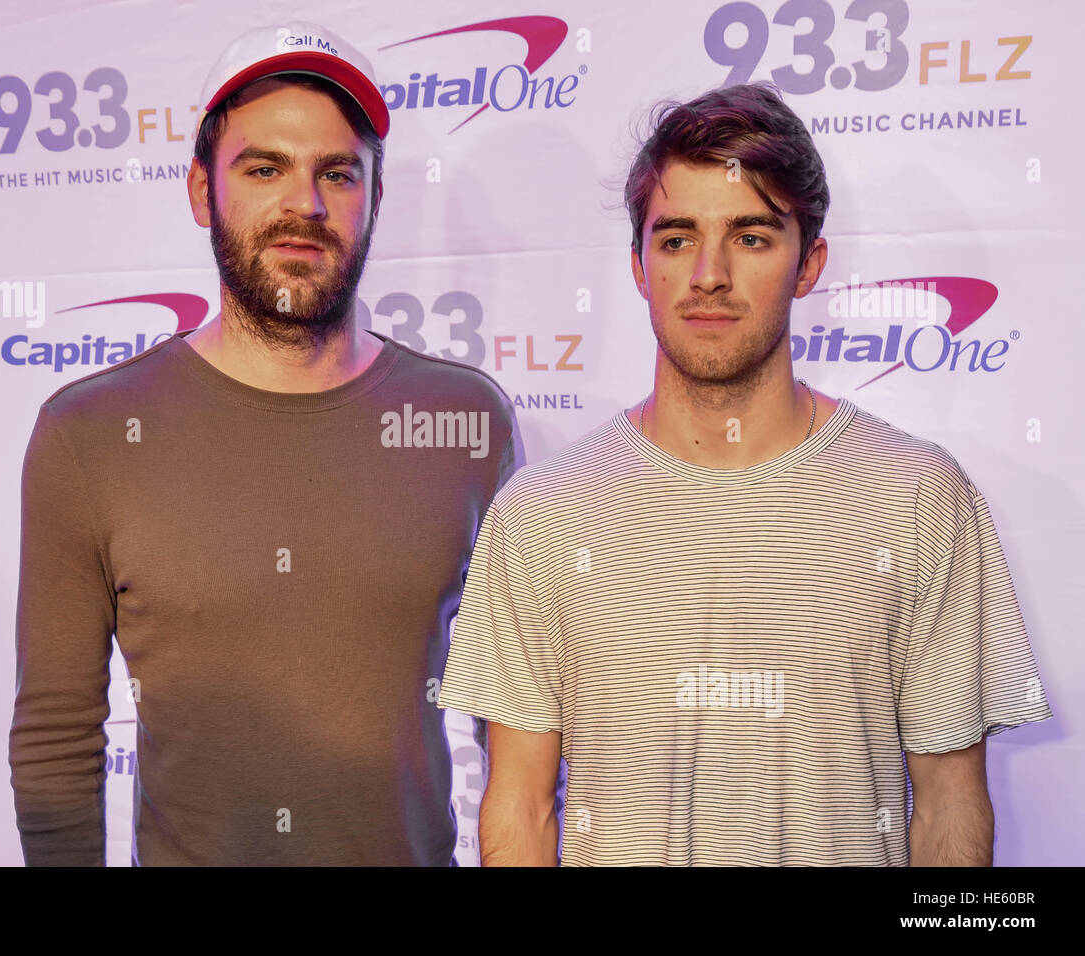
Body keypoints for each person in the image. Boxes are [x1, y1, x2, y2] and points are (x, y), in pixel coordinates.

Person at [437, 83, 1052, 866]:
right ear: (637, 264)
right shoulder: (542, 514)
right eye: (677, 238)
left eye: (753, 237)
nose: (710, 274)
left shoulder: (920, 496)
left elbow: (948, 805)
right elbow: (518, 811)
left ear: (809, 263)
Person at [9, 21, 522, 866]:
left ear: (376, 200)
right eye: (263, 168)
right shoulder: (88, 434)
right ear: (202, 192)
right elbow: (57, 745)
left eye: (336, 173)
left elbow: (518, 714)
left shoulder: (468, 421)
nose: (304, 205)